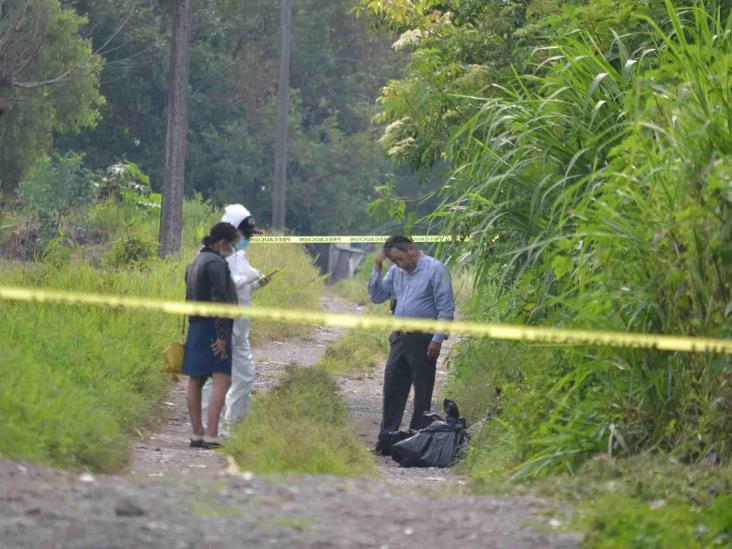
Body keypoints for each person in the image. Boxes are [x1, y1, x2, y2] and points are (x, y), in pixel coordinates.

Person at [367, 235, 455, 455]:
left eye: (400, 259)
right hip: (399, 337)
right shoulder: (395, 272)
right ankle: (387, 440)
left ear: (411, 250)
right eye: (393, 261)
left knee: (422, 393)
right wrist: (377, 269)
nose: (399, 264)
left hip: (424, 339)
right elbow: (377, 297)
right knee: (392, 388)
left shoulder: (436, 269)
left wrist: (437, 339)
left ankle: (417, 442)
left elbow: (446, 309)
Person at [201, 204, 269, 435]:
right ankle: (209, 426)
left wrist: (256, 283)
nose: (247, 239)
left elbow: (242, 288)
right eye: (245, 234)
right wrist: (247, 278)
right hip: (224, 327)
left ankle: (234, 427)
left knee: (245, 376)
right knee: (215, 377)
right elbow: (224, 286)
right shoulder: (217, 256)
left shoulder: (240, 255)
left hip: (240, 329)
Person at [182, 222, 240, 449]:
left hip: (195, 325)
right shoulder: (216, 263)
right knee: (222, 378)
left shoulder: (195, 262)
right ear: (223, 242)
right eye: (232, 244)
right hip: (213, 327)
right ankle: (212, 434)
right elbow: (219, 300)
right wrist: (221, 336)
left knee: (195, 378)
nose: (233, 249)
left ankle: (197, 432)